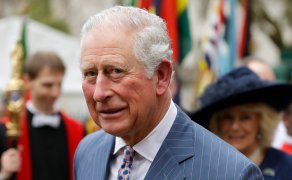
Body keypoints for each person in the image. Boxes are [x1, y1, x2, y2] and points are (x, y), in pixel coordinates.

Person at [74, 6, 263, 180]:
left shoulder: (231, 173)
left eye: (116, 71)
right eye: (90, 74)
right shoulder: (87, 152)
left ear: (161, 76)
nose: (99, 93)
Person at [192, 67, 292, 179]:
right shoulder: (203, 166)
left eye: (245, 118)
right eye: (227, 118)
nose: (235, 127)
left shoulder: (290, 167)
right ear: (217, 123)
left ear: (262, 122)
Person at [1, 51, 85, 180]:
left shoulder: (77, 130)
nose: (55, 93)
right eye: (48, 85)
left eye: (59, 84)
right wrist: (3, 174)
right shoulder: (6, 130)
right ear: (28, 81)